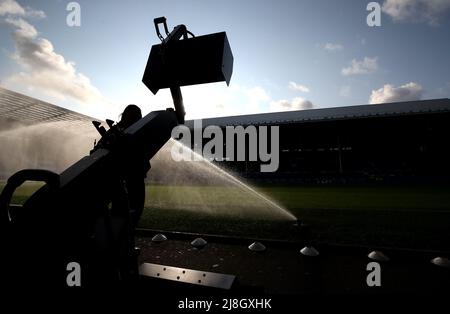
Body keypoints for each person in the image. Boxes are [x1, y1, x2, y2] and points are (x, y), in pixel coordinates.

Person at [116, 104, 150, 228]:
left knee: (121, 214)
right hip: (133, 179)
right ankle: (125, 243)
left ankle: (123, 243)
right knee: (133, 212)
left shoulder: (117, 130)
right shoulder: (137, 133)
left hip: (121, 181)